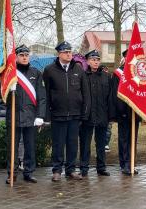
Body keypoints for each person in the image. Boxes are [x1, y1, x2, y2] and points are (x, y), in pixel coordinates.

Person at [43, 41, 90, 182]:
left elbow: (85, 93)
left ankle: (70, 170)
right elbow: (46, 94)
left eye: (70, 52)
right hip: (58, 114)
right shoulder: (50, 70)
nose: (69, 54)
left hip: (75, 114)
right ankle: (57, 170)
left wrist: (84, 112)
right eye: (65, 52)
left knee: (72, 144)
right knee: (58, 144)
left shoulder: (78, 69)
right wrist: (47, 115)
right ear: (59, 54)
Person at [5, 45, 46, 184]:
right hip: (14, 114)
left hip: (31, 115)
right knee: (12, 147)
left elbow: (41, 96)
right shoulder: (10, 73)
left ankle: (29, 172)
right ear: (16, 56)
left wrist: (40, 115)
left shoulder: (36, 72)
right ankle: (12, 173)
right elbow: (2, 96)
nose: (24, 57)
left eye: (26, 55)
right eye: (21, 55)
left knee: (30, 146)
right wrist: (10, 90)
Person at [79, 50, 111, 177]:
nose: (96, 62)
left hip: (102, 114)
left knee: (101, 144)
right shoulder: (82, 76)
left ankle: (101, 167)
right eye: (93, 60)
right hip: (87, 116)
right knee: (85, 143)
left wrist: (109, 114)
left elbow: (109, 97)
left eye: (97, 60)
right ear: (87, 61)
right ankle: (84, 168)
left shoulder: (106, 76)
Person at [110, 49, 140, 175]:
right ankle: (124, 164)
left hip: (135, 112)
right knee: (124, 139)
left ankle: (132, 163)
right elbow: (115, 95)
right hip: (123, 112)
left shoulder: (138, 73)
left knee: (133, 138)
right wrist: (121, 111)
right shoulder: (118, 73)